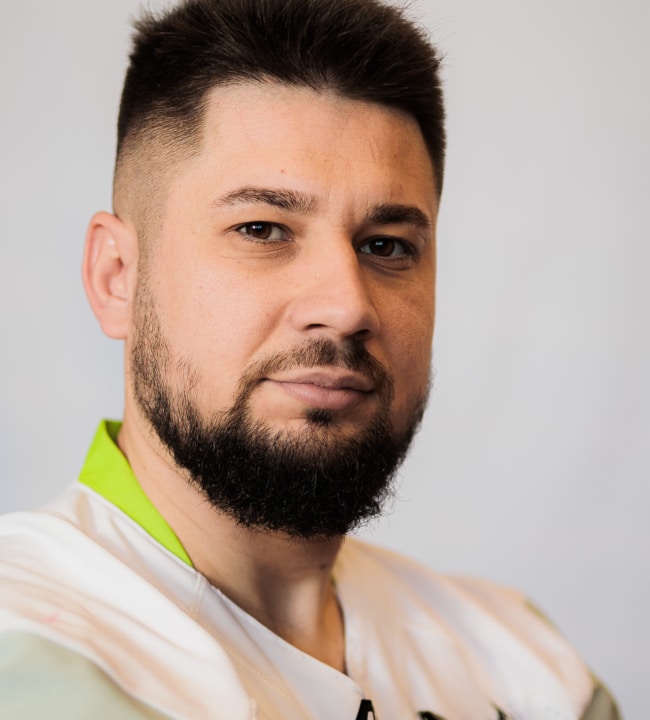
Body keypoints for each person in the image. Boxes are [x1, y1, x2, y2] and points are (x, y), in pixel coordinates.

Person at [0, 0, 620, 718]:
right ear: (117, 277)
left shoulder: (530, 671)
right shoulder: (31, 653)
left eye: (387, 245)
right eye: (262, 229)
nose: (347, 305)